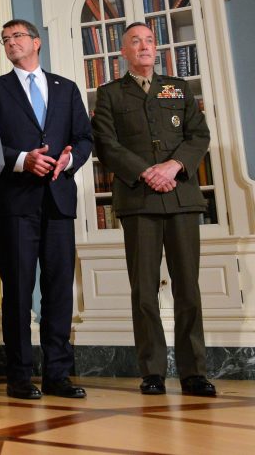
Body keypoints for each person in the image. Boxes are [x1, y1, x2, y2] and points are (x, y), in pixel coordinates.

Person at [91, 22, 216, 397]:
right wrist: (146, 172)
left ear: (155, 49)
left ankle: (194, 372)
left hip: (181, 197)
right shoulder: (110, 93)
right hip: (138, 199)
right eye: (135, 42)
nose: (143, 47)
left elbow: (199, 136)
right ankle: (153, 372)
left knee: (188, 288)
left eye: (148, 41)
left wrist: (173, 167)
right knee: (144, 290)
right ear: (123, 53)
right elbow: (106, 145)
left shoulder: (178, 89)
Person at [0, 19, 92, 400]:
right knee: (17, 291)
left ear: (36, 42)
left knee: (58, 291)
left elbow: (84, 138)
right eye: (5, 40)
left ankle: (57, 375)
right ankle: (18, 376)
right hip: (15, 201)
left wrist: (67, 161)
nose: (11, 42)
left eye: (17, 36)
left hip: (59, 200)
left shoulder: (65, 89)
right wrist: (21, 160)